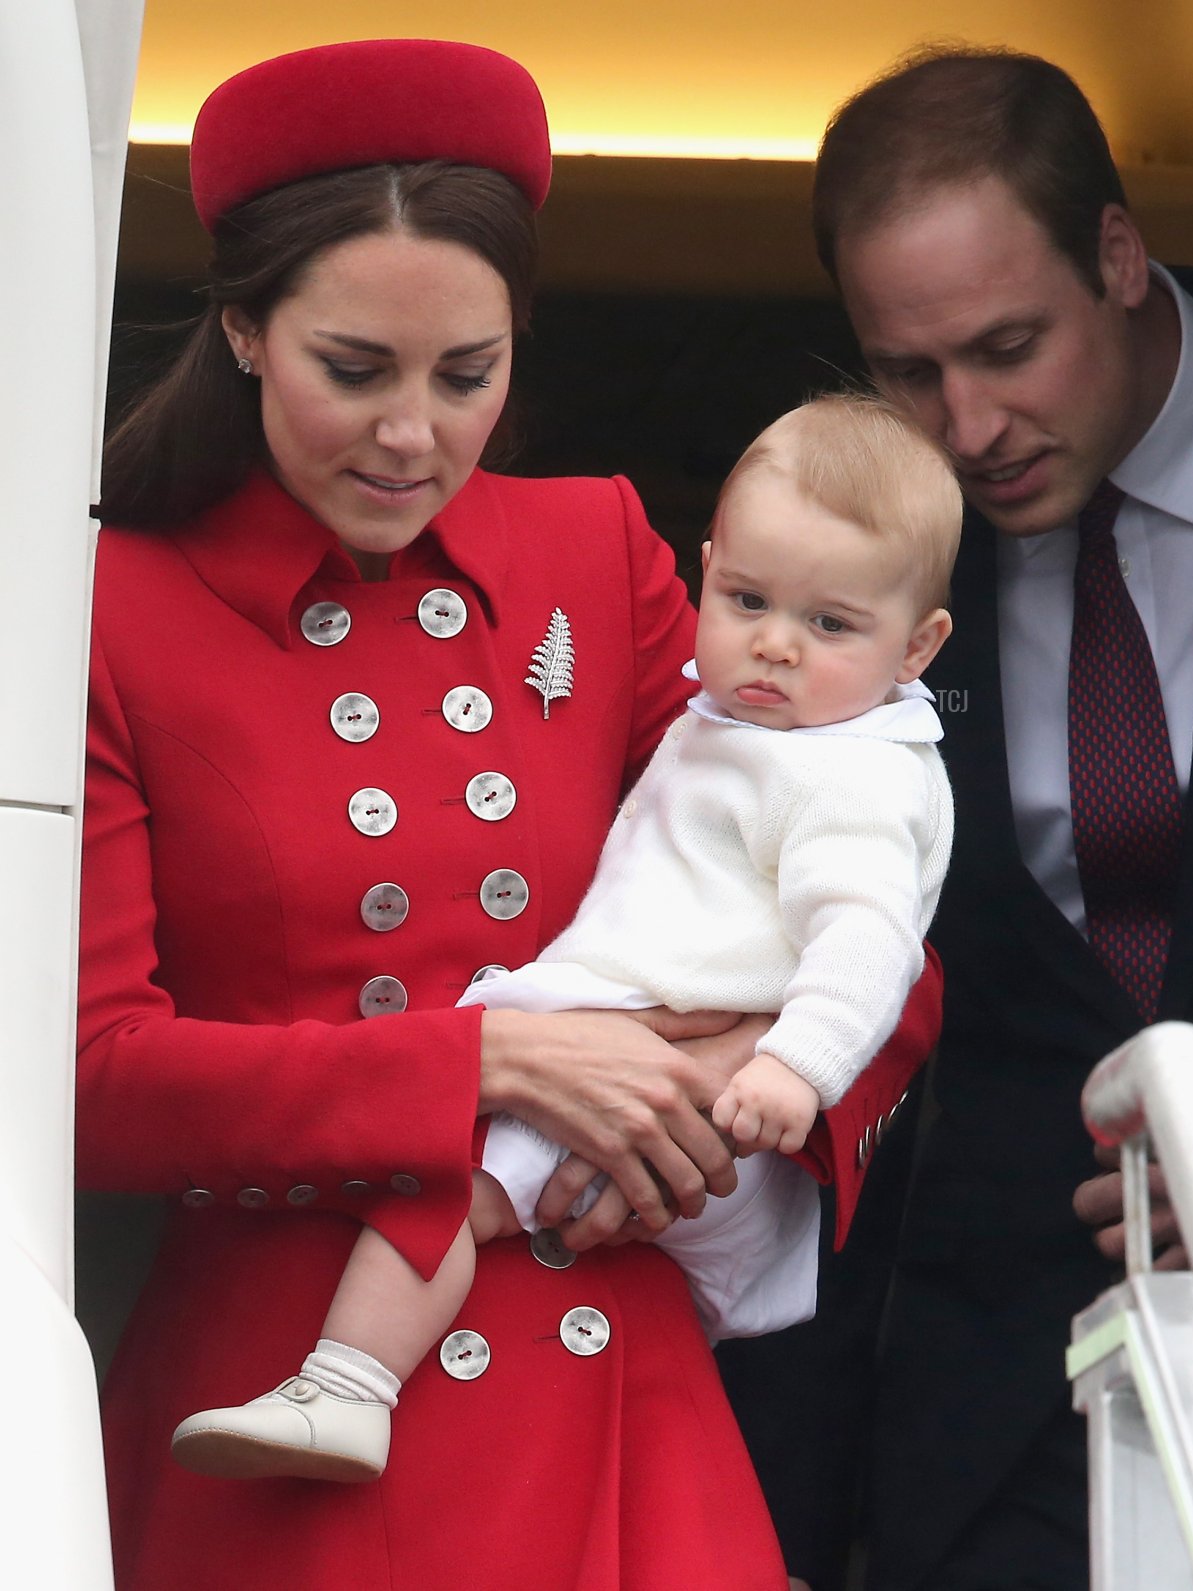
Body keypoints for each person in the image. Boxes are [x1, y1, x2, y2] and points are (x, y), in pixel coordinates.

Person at [76, 39, 942, 1591]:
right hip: (292, 1401)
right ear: (242, 332)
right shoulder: (106, 608)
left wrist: (740, 1080)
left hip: (609, 1354)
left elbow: (866, 899)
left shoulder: (592, 546)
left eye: (468, 374)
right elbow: (88, 1082)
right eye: (358, 370)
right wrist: (485, 1057)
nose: (417, 434)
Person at [167, 393, 960, 1486]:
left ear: (919, 647)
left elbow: (883, 949)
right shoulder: (751, 709)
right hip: (594, 1095)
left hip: (689, 1118)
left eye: (830, 625)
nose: (774, 644)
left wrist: (778, 1064)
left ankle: (348, 1383)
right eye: (745, 600)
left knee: (448, 1173)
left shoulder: (830, 756)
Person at [761, 44, 1193, 1591]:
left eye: (1012, 346)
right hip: (1002, 1401)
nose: (967, 423)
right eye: (907, 371)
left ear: (1118, 253)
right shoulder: (833, 535)